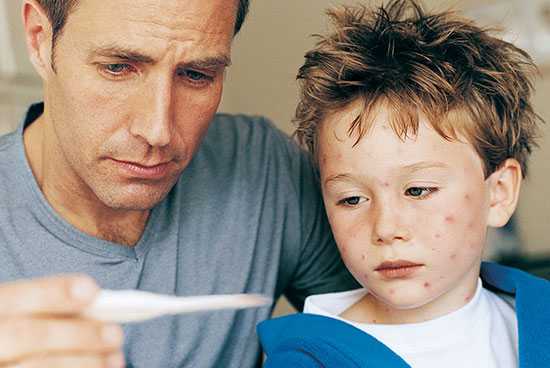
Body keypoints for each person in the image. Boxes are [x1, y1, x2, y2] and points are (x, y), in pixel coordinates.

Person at [0, 0, 358, 367]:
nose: (158, 131)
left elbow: (394, 334)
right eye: (117, 67)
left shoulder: (264, 168)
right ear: (40, 40)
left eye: (196, 75)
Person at [258, 1, 550, 367]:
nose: (385, 228)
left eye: (417, 190)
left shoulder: (540, 317)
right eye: (351, 199)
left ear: (499, 193)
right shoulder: (305, 361)